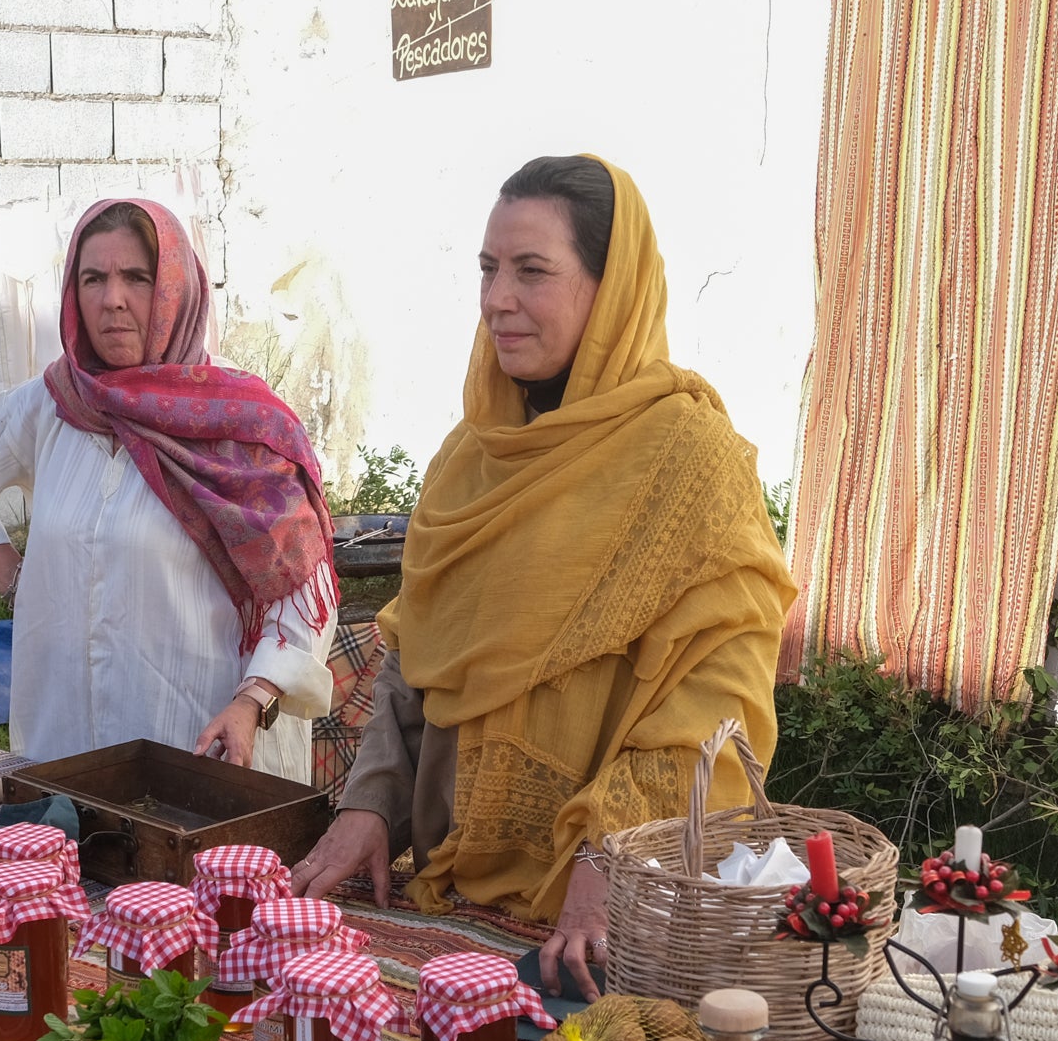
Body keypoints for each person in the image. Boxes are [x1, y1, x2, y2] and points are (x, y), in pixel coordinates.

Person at [290, 155, 795, 996]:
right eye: (488, 270)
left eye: (532, 272)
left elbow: (714, 701)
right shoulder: (468, 460)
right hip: (455, 905)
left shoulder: (689, 464)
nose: (496, 300)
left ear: (612, 289)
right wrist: (367, 809)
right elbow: (418, 664)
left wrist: (608, 861)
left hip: (602, 929)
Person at [0, 198, 337, 779]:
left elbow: (300, 589)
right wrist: (16, 579)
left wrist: (251, 700)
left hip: (199, 746)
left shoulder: (243, 425)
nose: (113, 299)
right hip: (64, 743)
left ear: (175, 292)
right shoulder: (55, 403)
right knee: (65, 863)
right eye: (94, 279)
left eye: (137, 278)